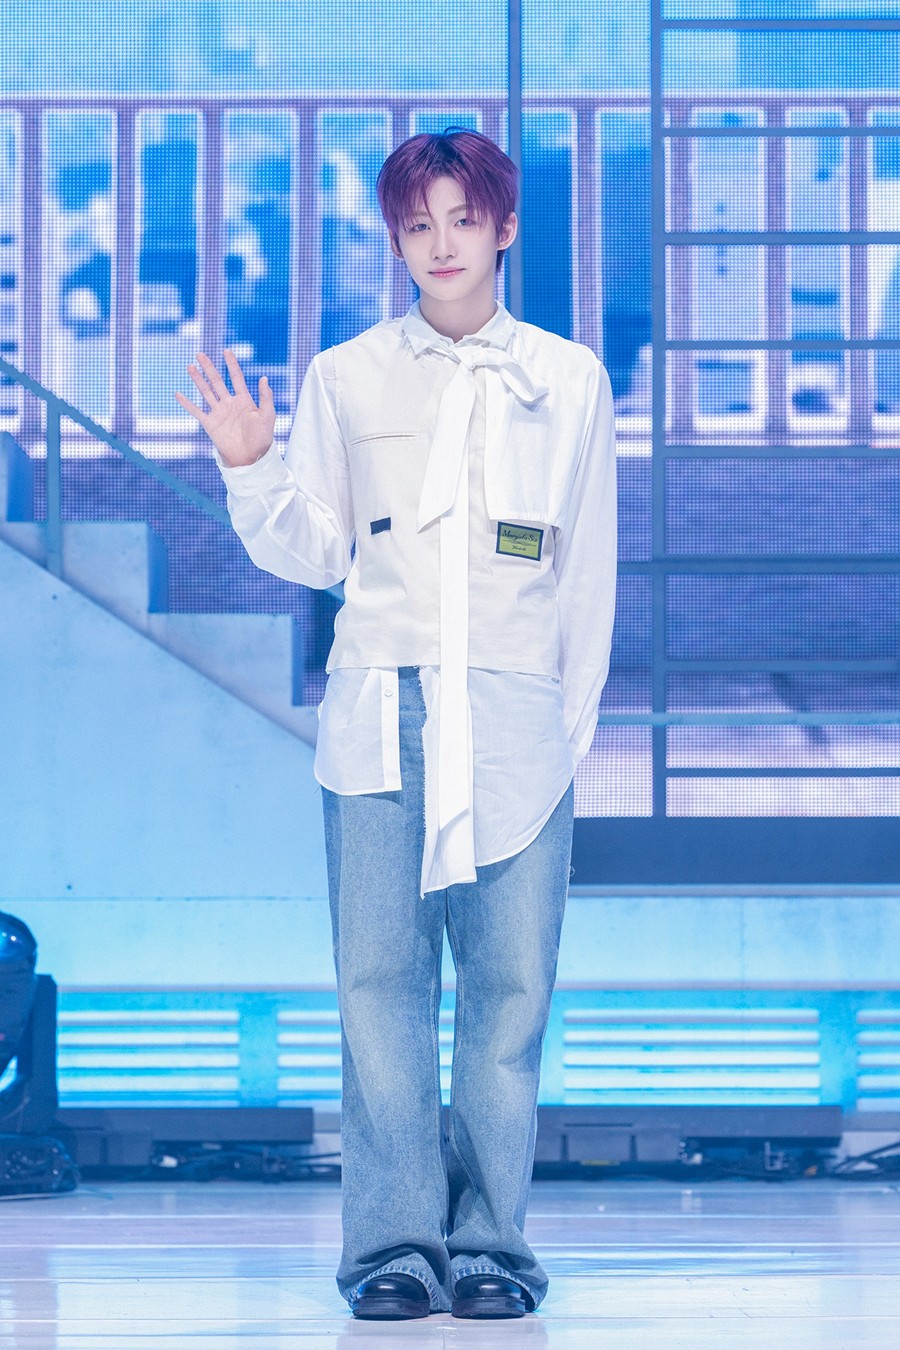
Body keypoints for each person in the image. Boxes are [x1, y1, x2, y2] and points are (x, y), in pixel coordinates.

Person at [176, 128, 617, 1321]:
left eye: (462, 218)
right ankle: (393, 1248)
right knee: (379, 985)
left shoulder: (568, 379)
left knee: (511, 988)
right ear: (395, 239)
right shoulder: (348, 374)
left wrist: (564, 734)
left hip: (517, 714)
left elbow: (586, 574)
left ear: (504, 226)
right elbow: (317, 551)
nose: (441, 243)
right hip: (381, 712)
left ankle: (491, 1247)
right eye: (417, 224)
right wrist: (253, 468)